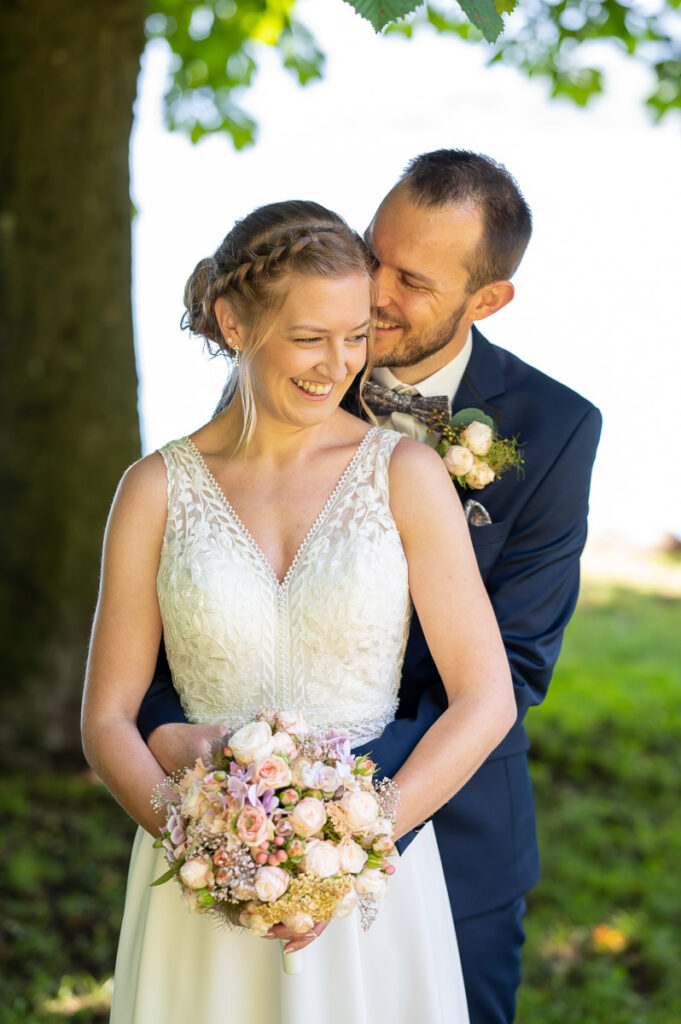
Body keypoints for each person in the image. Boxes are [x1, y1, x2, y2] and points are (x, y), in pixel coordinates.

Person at [139, 152, 602, 1024]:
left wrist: (329, 818)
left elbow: (511, 664)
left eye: (411, 279)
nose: (373, 292)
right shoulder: (298, 361)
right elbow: (206, 607)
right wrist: (193, 752)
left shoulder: (556, 428)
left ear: (486, 300)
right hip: (234, 823)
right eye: (371, 251)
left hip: (449, 833)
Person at [81, 199, 516, 1023]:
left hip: (369, 885)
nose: (336, 366)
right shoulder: (151, 490)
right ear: (234, 322)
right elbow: (105, 720)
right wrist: (205, 847)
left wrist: (353, 847)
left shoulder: (405, 474)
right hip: (200, 885)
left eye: (355, 336)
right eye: (309, 338)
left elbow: (485, 698)